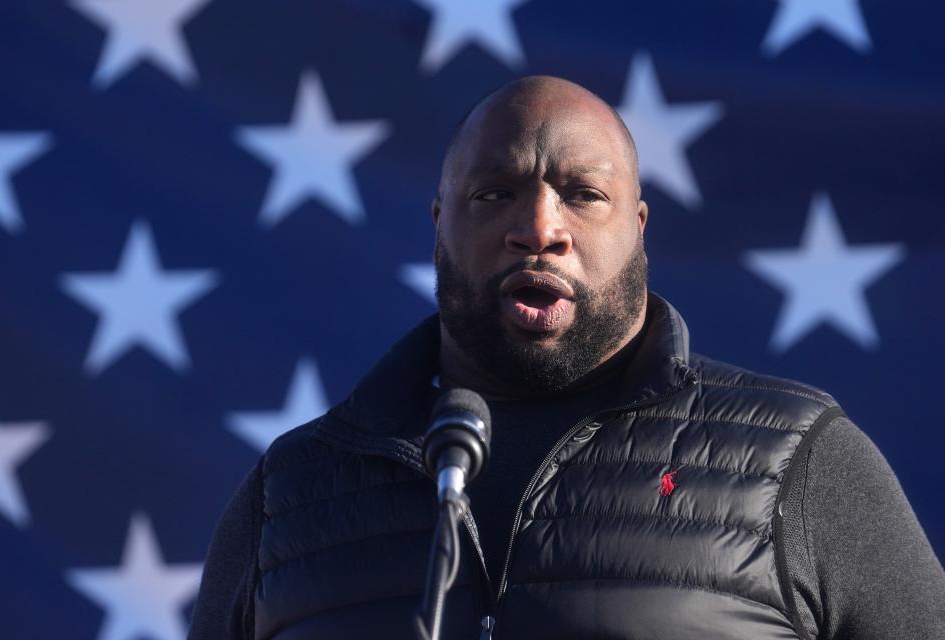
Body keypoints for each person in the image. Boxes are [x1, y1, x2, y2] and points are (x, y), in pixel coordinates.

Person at [188, 76, 945, 640]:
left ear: (639, 229)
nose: (540, 227)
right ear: (438, 225)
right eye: (494, 196)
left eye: (584, 195)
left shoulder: (799, 465)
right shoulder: (289, 495)